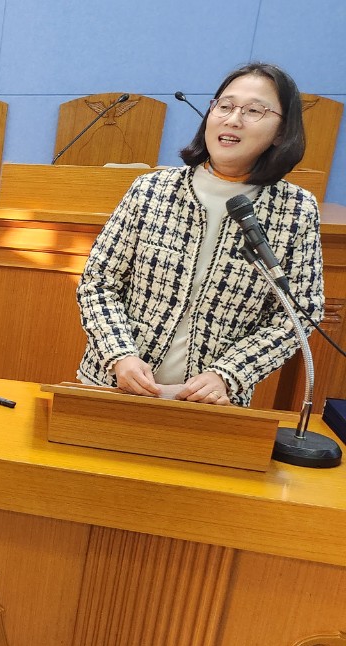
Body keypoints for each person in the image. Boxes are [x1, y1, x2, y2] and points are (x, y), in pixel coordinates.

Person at [77, 62, 323, 407]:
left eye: (254, 111)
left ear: (282, 132)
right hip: (113, 388)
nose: (233, 119)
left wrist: (229, 374)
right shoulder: (151, 190)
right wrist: (119, 355)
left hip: (211, 404)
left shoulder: (296, 210)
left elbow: (296, 314)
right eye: (225, 106)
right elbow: (98, 282)